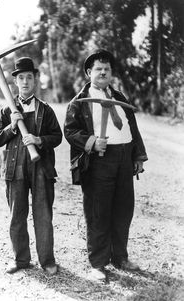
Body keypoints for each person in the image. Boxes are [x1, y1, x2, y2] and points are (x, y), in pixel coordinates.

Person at [64, 49, 148, 281]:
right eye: (98, 69)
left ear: (111, 73)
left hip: (124, 159)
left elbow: (133, 128)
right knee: (98, 211)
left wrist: (138, 156)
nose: (103, 72)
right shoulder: (79, 102)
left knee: (123, 209)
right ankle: (98, 264)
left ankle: (120, 257)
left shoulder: (119, 97)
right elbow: (70, 131)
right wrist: (91, 142)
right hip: (99, 161)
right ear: (89, 72)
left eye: (107, 69)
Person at [0, 57, 62, 275]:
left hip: (41, 168)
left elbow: (57, 137)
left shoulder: (46, 110)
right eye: (20, 78)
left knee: (43, 215)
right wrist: (12, 127)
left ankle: (47, 261)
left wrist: (39, 140)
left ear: (35, 80)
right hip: (15, 169)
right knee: (17, 215)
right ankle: (21, 259)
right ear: (15, 82)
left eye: (29, 77)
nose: (25, 82)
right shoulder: (6, 112)